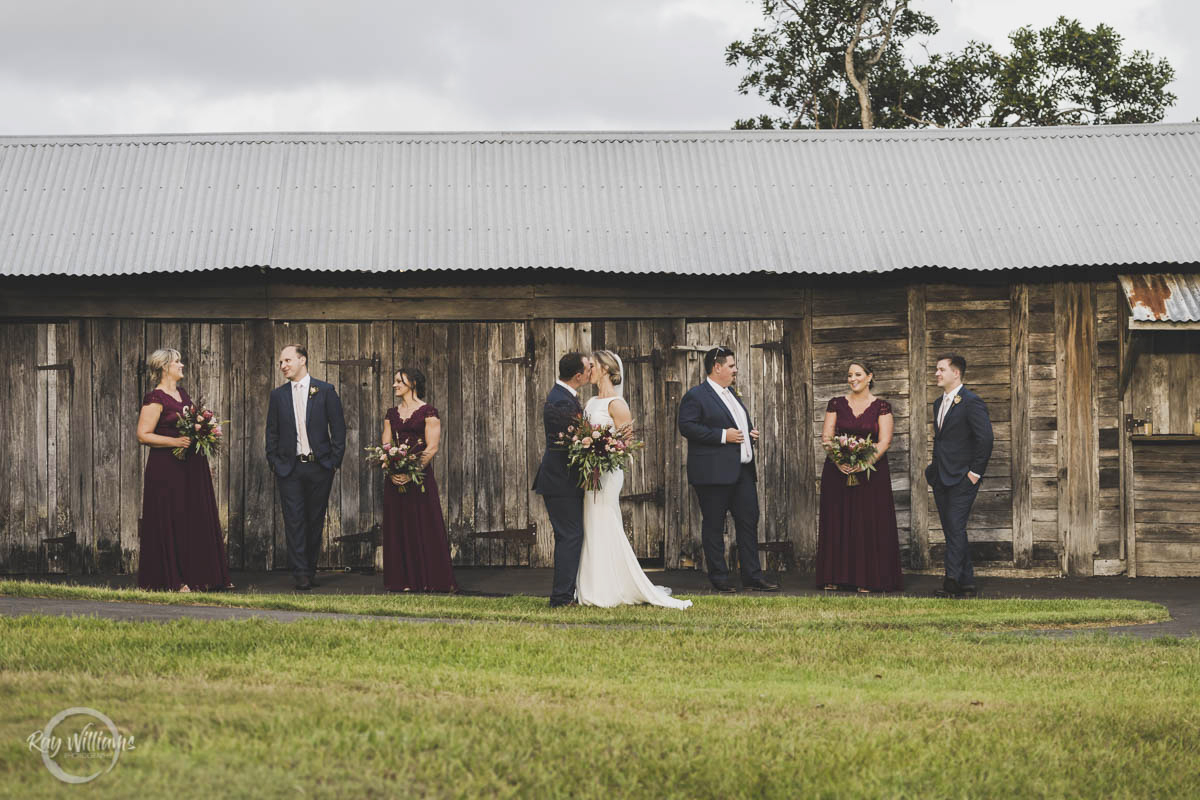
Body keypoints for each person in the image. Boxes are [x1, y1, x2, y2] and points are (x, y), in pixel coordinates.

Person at [576, 350, 691, 609]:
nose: (588, 370)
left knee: (604, 520)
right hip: (591, 473)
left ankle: (611, 587)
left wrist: (603, 450)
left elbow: (626, 443)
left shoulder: (618, 404)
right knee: (591, 524)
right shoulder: (591, 401)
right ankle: (594, 584)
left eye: (592, 365)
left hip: (608, 473)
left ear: (605, 369)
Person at [677, 346, 778, 593]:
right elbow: (687, 427)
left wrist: (748, 434)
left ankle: (752, 576)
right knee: (714, 525)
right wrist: (724, 436)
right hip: (713, 474)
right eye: (731, 366)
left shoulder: (731, 394)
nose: (735, 370)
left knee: (748, 522)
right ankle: (719, 578)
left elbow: (737, 426)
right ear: (717, 367)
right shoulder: (696, 396)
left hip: (742, 471)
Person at [135, 348, 233, 592]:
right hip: (166, 468)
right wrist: (175, 442)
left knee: (193, 518)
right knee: (172, 517)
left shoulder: (182, 394)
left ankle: (205, 576)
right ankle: (173, 579)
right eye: (177, 361)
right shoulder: (155, 399)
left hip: (191, 466)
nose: (182, 365)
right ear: (164, 367)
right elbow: (143, 435)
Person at [815, 360, 902, 593]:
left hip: (871, 474)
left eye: (858, 374)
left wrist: (864, 462)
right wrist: (839, 460)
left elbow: (884, 441)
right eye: (849, 375)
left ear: (869, 377)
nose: (853, 379)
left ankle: (868, 577)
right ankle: (833, 575)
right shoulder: (836, 404)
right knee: (837, 520)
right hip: (838, 472)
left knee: (867, 522)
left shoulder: (882, 407)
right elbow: (827, 437)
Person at [265, 344, 346, 591]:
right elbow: (272, 432)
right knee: (294, 520)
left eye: (287, 360)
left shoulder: (324, 390)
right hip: (289, 469)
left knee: (314, 519)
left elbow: (339, 429)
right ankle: (300, 573)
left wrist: (333, 462)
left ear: (303, 360)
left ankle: (310, 569)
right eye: (281, 362)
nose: (283, 366)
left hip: (319, 467)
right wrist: (275, 462)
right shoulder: (278, 395)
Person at [380, 367, 457, 593]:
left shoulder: (428, 412)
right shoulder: (391, 414)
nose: (394, 385)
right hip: (394, 478)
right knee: (398, 525)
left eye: (399, 381)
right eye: (394, 381)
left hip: (419, 477)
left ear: (412, 383)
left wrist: (411, 471)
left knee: (423, 523)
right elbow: (386, 445)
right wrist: (392, 467)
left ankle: (428, 578)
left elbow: (432, 447)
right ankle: (401, 580)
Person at [926, 354, 994, 598]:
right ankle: (967, 582)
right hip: (941, 477)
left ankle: (951, 582)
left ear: (956, 373)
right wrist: (933, 470)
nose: (937, 373)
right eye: (936, 369)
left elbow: (985, 439)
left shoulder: (971, 402)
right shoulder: (937, 403)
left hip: (963, 478)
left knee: (955, 527)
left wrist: (974, 473)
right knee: (952, 529)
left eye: (941, 369)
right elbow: (942, 440)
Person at [533, 352, 592, 607]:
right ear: (578, 376)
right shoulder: (562, 402)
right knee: (570, 536)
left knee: (570, 535)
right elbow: (569, 446)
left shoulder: (565, 397)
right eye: (589, 368)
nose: (592, 371)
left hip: (563, 481)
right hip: (561, 481)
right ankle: (561, 598)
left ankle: (568, 593)